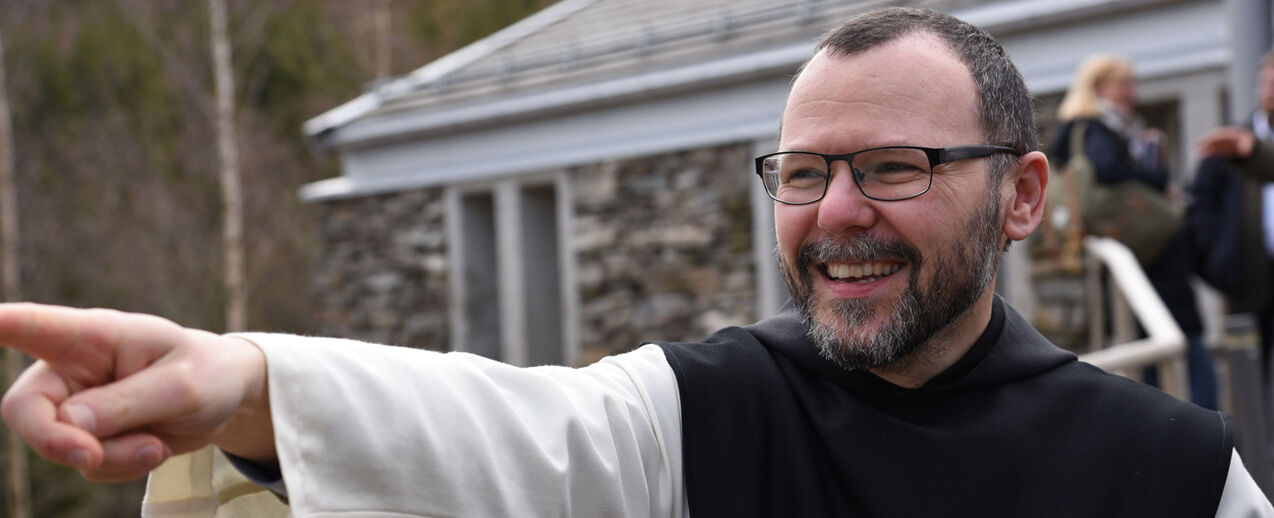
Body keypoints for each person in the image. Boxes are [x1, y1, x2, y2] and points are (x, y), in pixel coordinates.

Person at [1, 7, 1270, 517]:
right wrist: (242, 380)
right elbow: (501, 430)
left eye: (893, 168)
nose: (836, 214)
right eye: (803, 171)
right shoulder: (702, 415)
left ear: (1021, 194)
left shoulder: (1171, 473)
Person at [1050, 53, 1220, 410]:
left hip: (1131, 248)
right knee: (1184, 350)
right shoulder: (1098, 128)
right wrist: (1155, 176)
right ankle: (1209, 430)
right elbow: (1110, 170)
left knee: (1153, 354)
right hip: (1149, 250)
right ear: (1099, 88)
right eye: (1123, 84)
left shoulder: (1084, 131)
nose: (1132, 92)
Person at [1194, 50, 1274, 380]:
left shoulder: (1246, 147)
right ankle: (1252, 434)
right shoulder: (1230, 145)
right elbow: (1200, 206)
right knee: (1248, 376)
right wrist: (1220, 263)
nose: (1270, 90)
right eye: (1267, 82)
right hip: (1247, 278)